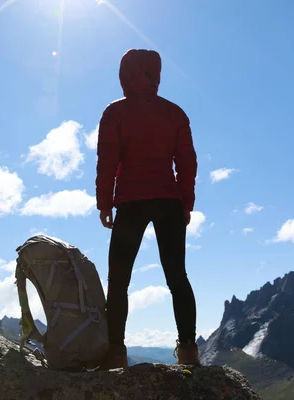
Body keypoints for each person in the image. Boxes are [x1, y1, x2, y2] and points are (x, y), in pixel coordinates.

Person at [95, 49, 199, 369]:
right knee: (177, 277)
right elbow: (187, 164)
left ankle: (116, 353)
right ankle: (188, 352)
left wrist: (104, 203)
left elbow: (108, 163)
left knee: (119, 280)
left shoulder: (115, 113)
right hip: (168, 202)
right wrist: (185, 203)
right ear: (156, 75)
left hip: (130, 202)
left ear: (125, 75)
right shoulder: (175, 113)